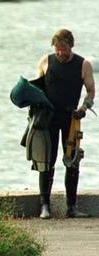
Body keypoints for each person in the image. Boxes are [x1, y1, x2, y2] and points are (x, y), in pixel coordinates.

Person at [35, 29, 95, 219]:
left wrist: (84, 108)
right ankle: (45, 206)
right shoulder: (46, 61)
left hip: (71, 119)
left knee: (72, 161)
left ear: (71, 45)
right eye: (57, 49)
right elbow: (37, 89)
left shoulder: (83, 64)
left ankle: (71, 207)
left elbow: (91, 91)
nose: (60, 53)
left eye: (64, 49)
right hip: (49, 119)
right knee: (46, 161)